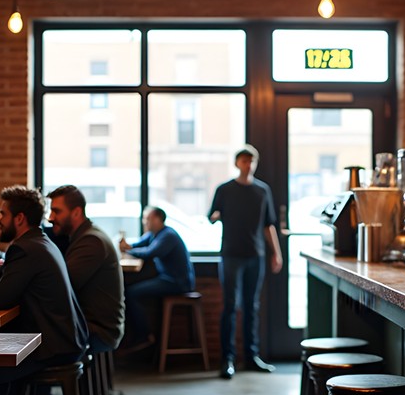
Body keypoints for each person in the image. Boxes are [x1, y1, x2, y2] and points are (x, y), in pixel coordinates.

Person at [0, 185, 88, 395]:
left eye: (3, 214)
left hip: (53, 345)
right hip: (66, 339)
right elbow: (8, 288)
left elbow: (1, 299)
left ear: (19, 218)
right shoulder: (41, 241)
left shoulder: (24, 248)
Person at [208, 144, 283, 379]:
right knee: (230, 306)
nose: (247, 165)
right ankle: (227, 359)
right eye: (244, 161)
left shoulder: (262, 191)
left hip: (256, 255)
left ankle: (252, 357)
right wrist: (216, 216)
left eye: (251, 161)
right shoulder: (224, 189)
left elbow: (269, 224)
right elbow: (211, 215)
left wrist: (276, 253)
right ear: (237, 164)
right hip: (231, 254)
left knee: (252, 307)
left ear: (255, 164)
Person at [47, 185, 125, 353]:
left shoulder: (91, 241)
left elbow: (62, 288)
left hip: (99, 331)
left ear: (76, 212)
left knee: (32, 342)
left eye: (56, 211)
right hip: (93, 325)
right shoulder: (84, 236)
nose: (50, 217)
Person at [118, 206, 195, 352]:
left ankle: (144, 336)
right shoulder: (153, 234)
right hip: (167, 279)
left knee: (132, 293)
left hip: (178, 283)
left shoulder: (168, 235)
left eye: (147, 218)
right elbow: (137, 245)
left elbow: (150, 252)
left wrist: (128, 250)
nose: (144, 222)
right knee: (131, 291)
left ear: (158, 219)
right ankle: (143, 336)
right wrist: (127, 246)